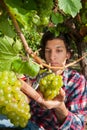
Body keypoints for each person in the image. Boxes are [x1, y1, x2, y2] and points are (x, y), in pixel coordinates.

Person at [21, 31, 87, 130]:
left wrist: (60, 107)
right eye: (48, 51)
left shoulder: (77, 81)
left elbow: (77, 126)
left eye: (59, 51)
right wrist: (23, 100)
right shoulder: (36, 74)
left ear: (68, 54)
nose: (52, 57)